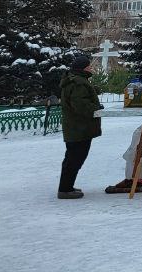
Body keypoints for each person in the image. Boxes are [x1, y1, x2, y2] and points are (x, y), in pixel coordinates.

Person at [58, 53, 101, 200]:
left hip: (76, 127)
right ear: (83, 68)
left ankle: (67, 186)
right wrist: (95, 108)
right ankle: (65, 189)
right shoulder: (78, 83)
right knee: (75, 158)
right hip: (78, 127)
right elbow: (80, 105)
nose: (91, 68)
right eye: (89, 66)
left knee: (73, 157)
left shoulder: (76, 81)